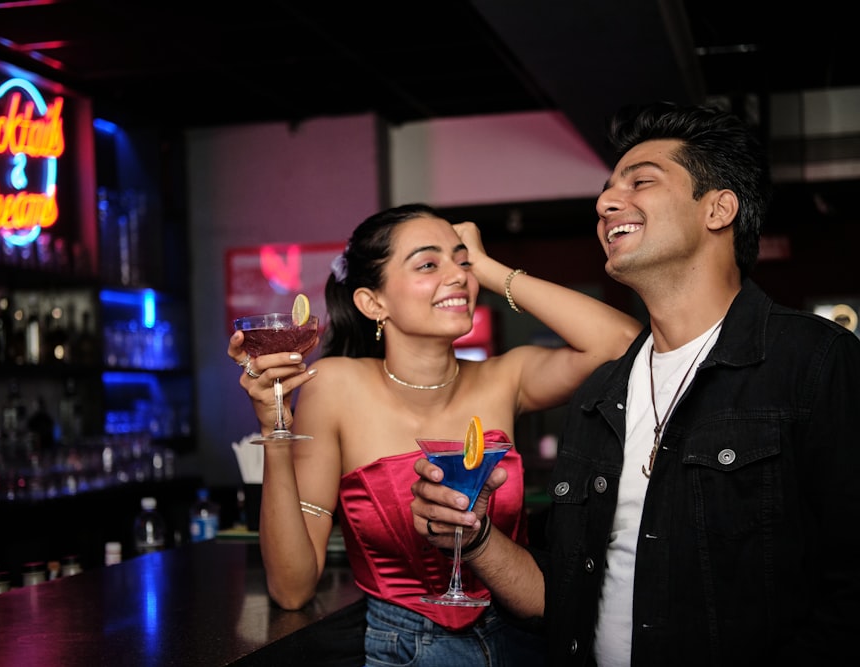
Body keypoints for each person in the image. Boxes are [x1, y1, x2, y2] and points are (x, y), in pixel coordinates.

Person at [410, 103, 860, 666]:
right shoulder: (601, 394)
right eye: (607, 189)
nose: (606, 203)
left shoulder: (814, 362)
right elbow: (560, 597)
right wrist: (476, 534)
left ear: (719, 209)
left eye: (642, 181)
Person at [226, 203, 642, 666]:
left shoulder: (507, 376)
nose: (458, 277)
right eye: (428, 263)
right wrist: (274, 430)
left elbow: (623, 344)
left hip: (526, 641)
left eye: (461, 262)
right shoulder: (334, 385)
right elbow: (292, 589)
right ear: (372, 302)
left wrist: (487, 267)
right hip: (405, 651)